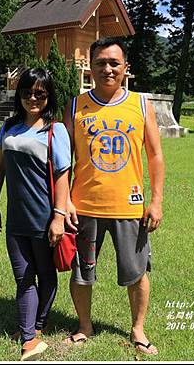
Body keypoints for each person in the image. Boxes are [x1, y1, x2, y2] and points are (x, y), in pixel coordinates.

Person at [61, 37, 165, 356]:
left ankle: (138, 329)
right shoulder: (76, 105)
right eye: (101, 62)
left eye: (114, 63)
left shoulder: (141, 104)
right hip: (84, 207)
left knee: (137, 272)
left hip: (129, 206)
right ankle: (84, 325)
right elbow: (63, 159)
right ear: (90, 67)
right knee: (82, 271)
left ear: (125, 68)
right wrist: (63, 201)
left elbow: (155, 156)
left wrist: (156, 201)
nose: (107, 68)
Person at [0, 68, 72, 361]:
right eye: (27, 92)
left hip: (44, 218)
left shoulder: (55, 130)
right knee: (23, 277)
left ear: (49, 96)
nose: (32, 98)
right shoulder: (8, 127)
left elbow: (62, 175)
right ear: (19, 94)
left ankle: (35, 326)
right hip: (16, 220)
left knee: (46, 275)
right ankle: (29, 337)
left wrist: (58, 217)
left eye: (40, 93)